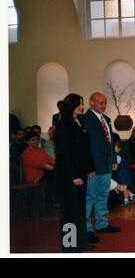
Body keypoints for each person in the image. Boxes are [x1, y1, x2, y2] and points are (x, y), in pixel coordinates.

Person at [54, 93, 96, 252]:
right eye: (79, 104)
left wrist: (90, 167)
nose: (82, 107)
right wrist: (74, 175)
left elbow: (83, 148)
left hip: (80, 173)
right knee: (70, 211)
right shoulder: (64, 124)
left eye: (82, 103)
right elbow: (64, 153)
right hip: (69, 175)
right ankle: (70, 246)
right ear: (71, 105)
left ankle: (80, 242)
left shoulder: (77, 122)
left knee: (79, 209)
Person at [81, 92, 121, 245]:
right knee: (89, 197)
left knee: (103, 195)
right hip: (92, 166)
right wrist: (88, 165)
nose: (103, 105)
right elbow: (85, 146)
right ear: (91, 102)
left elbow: (110, 143)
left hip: (106, 164)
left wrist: (113, 159)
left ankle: (102, 224)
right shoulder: (84, 120)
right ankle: (87, 228)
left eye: (104, 103)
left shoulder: (107, 120)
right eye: (100, 103)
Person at [114, 140, 135, 206]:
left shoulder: (117, 157)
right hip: (123, 174)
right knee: (124, 187)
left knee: (123, 187)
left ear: (119, 149)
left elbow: (116, 167)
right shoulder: (120, 156)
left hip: (122, 175)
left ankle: (126, 200)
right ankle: (132, 195)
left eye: (114, 147)